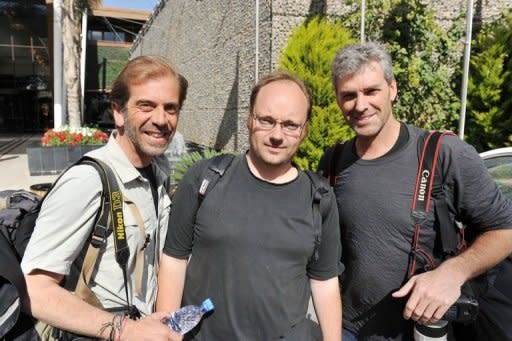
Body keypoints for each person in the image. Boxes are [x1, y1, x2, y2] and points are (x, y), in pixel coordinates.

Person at [320, 41, 512, 340]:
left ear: (392, 89)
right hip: (348, 329)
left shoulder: (445, 154)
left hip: (422, 331)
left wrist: (454, 272)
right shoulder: (333, 160)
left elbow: (505, 230)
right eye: (349, 95)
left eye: (371, 91)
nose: (360, 105)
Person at [158, 71, 343, 340]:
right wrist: (167, 332)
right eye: (266, 121)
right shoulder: (205, 179)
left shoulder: (320, 198)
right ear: (249, 119)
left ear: (304, 131)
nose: (277, 135)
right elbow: (174, 259)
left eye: (290, 125)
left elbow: (324, 282)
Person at [21, 55, 188, 340]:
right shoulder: (87, 181)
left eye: (170, 108)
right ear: (118, 112)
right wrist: (125, 330)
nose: (161, 119)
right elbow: (34, 290)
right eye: (146, 105)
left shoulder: (159, 172)